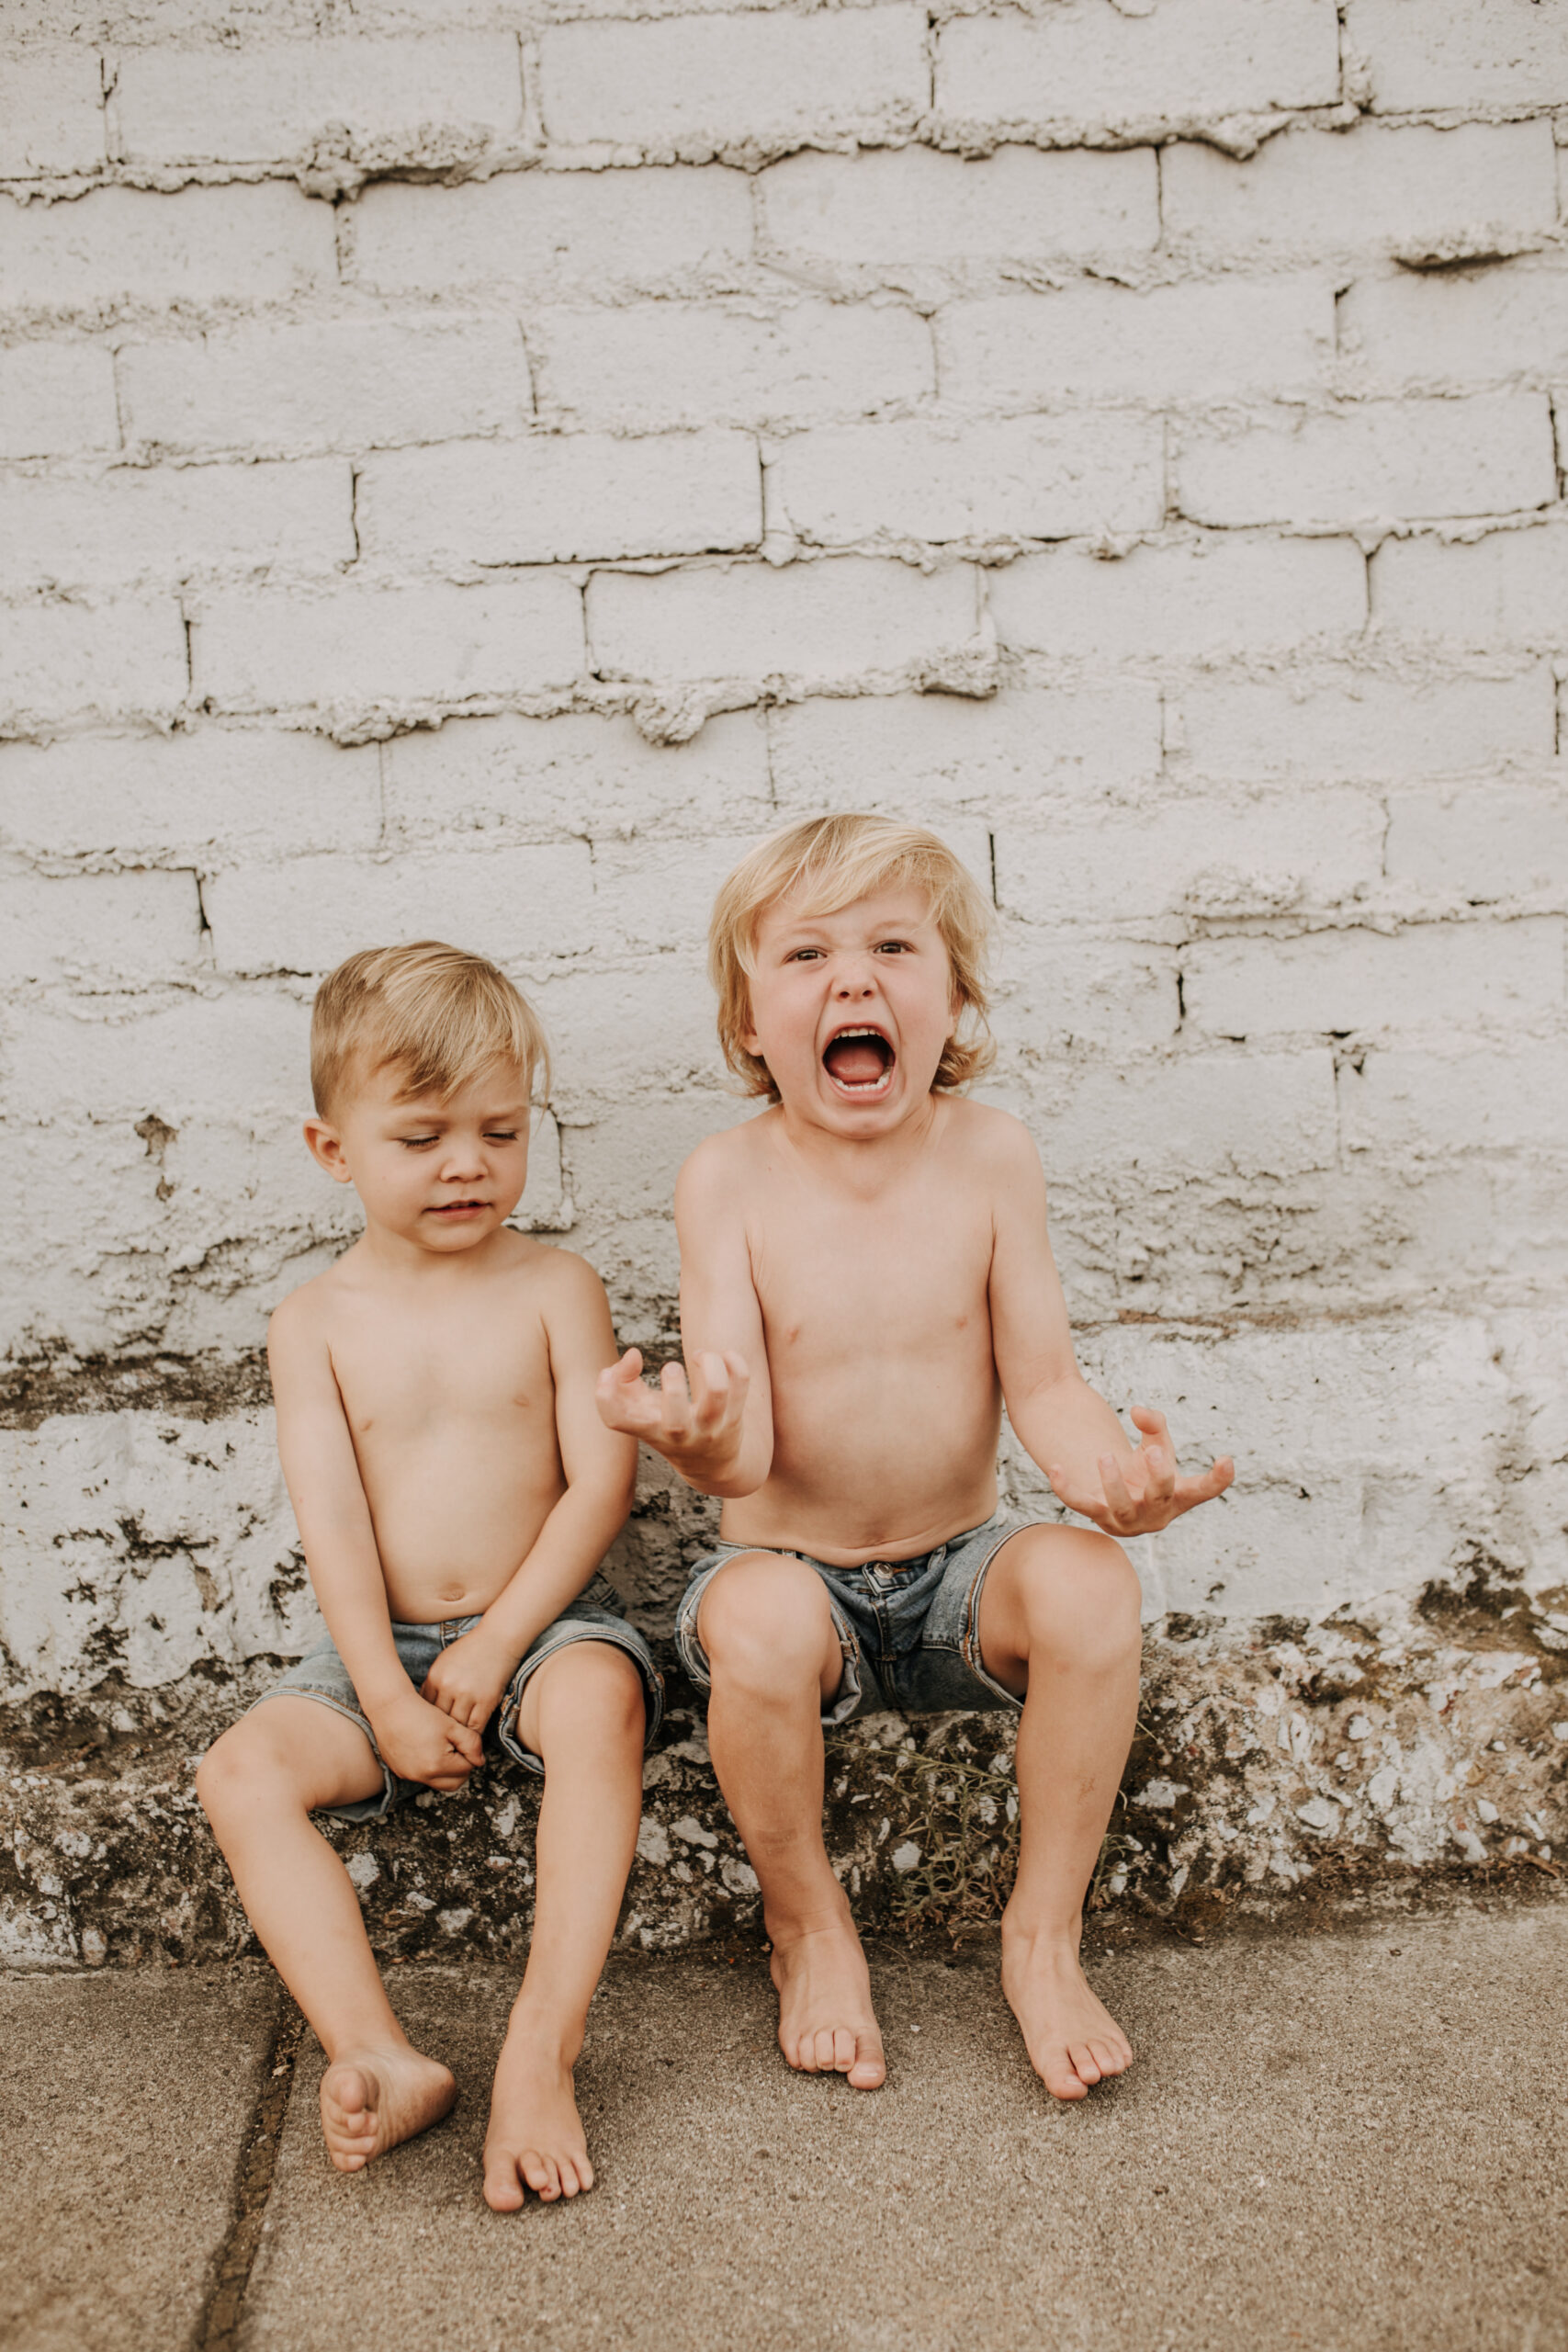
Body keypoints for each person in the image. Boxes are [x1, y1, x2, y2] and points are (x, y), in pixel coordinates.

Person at [597, 815, 1234, 2103]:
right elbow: (744, 1439)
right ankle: (808, 1928)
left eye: (895, 946)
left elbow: (1042, 1384)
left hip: (958, 1575)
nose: (854, 980)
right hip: (794, 1575)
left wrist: (1117, 1483)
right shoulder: (725, 1180)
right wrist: (704, 1437)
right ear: (747, 1022)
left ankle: (1042, 1939)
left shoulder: (992, 1157)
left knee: (1094, 1588)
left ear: (954, 1003)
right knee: (763, 1620)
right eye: (807, 955)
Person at [197, 942, 660, 2204]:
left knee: (601, 1706)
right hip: (380, 1652)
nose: (467, 1162)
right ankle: (376, 2049)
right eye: (422, 1136)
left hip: (546, 1625)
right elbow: (335, 1526)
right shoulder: (314, 1325)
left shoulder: (558, 1286)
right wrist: (387, 1698)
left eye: (499, 1130)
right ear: (333, 1150)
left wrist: (502, 1644)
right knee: (239, 1770)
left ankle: (538, 2048)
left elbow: (600, 1485)